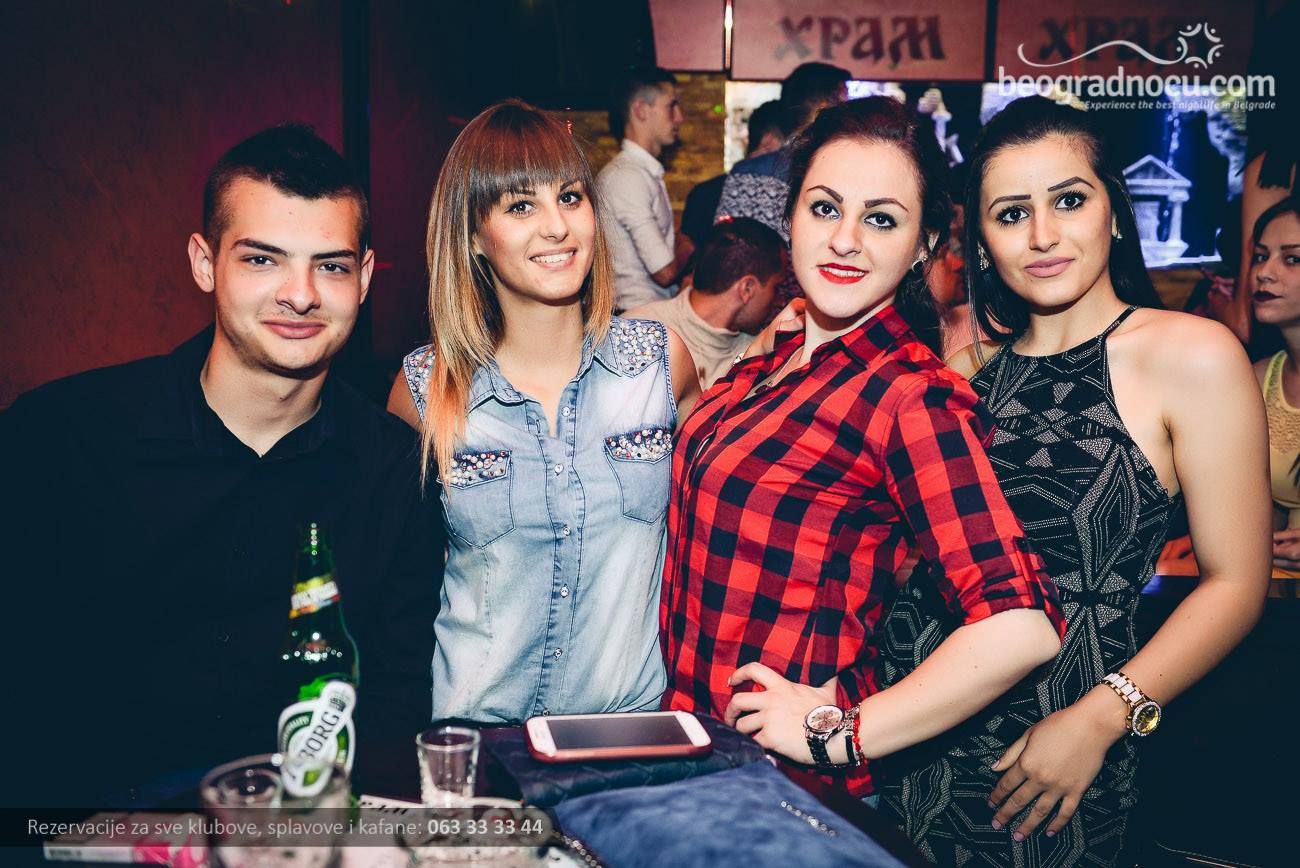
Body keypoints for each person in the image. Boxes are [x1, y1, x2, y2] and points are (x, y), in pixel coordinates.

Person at [878, 96, 1270, 866]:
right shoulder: (964, 374)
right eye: (1011, 213)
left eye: (1068, 200)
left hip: (1053, 759)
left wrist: (1100, 719)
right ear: (981, 243)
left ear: (1114, 213)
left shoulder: (1190, 355)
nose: (1043, 235)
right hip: (907, 737)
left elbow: (1236, 584)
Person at [1, 124, 442, 806]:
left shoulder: (398, 475)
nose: (301, 294)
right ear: (204, 263)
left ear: (363, 278)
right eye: (263, 260)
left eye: (330, 266)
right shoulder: (60, 439)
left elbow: (394, 707)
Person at [661, 97, 1066, 802]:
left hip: (776, 784)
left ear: (923, 244)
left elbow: (1021, 623)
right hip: (685, 747)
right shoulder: (776, 357)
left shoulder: (909, 395)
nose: (844, 240)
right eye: (824, 208)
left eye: (880, 219)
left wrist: (840, 732)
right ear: (791, 217)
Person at [388, 100, 700, 724]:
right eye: (520, 206)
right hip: (477, 737)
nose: (557, 227)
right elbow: (396, 587)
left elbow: (713, 529)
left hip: (628, 734)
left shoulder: (660, 365)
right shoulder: (426, 390)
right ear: (473, 236)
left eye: (571, 197)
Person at [626, 218, 782, 389]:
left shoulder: (758, 353)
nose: (779, 300)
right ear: (747, 288)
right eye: (776, 288)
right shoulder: (639, 332)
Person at [713, 62, 850, 236]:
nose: (849, 115)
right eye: (845, 104)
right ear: (823, 109)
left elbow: (726, 244)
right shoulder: (841, 173)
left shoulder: (746, 172)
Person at [596, 67, 693, 312]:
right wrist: (687, 243)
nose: (679, 117)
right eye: (672, 106)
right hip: (635, 317)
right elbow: (664, 272)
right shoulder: (627, 176)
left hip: (648, 312)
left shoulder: (640, 172)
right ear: (640, 110)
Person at [1250, 197, 1300, 577]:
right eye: (1260, 256)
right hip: (1280, 590)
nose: (1264, 273)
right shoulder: (1259, 378)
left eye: (1292, 259)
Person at [680, 100, 791, 249]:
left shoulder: (702, 192)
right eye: (790, 145)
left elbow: (686, 251)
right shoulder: (782, 191)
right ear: (768, 141)